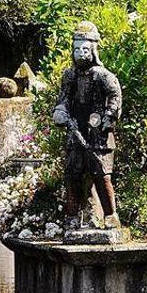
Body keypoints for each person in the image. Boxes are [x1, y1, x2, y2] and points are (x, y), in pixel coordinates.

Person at [52, 21, 123, 230]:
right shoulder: (69, 76)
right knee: (72, 175)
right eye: (76, 49)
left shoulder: (104, 76)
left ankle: (110, 215)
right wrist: (61, 111)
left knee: (101, 175)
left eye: (84, 49)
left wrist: (108, 116)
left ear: (92, 50)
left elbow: (115, 95)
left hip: (98, 134)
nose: (80, 54)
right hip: (75, 131)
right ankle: (72, 217)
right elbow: (63, 98)